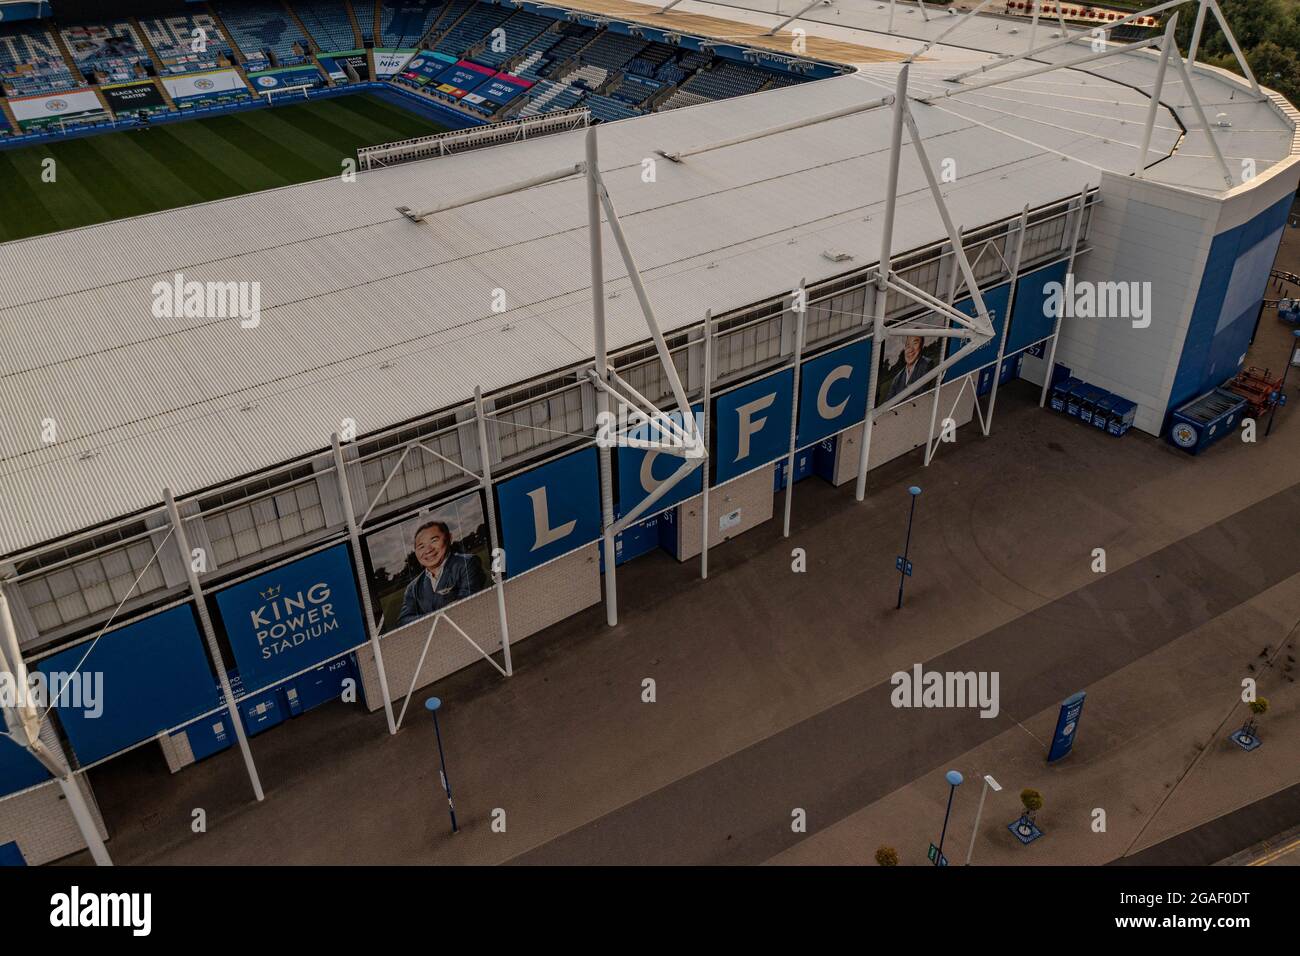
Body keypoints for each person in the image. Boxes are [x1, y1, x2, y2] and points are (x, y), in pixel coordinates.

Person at [396, 520, 487, 627]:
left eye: (434, 540)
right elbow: (403, 620)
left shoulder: (467, 563)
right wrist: (439, 615)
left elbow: (466, 603)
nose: (428, 550)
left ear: (449, 538)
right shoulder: (413, 587)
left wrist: (426, 619)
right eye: (421, 546)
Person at [886, 335, 935, 400]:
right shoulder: (897, 379)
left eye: (915, 343)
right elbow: (888, 403)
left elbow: (919, 395)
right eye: (907, 345)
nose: (910, 350)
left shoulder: (927, 364)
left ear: (921, 346)